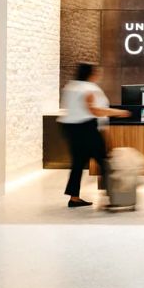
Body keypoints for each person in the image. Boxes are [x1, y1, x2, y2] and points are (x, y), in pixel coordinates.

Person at [58, 63, 130, 208]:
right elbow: (94, 110)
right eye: (96, 72)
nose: (98, 74)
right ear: (90, 74)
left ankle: (74, 197)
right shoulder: (89, 88)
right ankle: (114, 197)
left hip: (69, 128)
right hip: (86, 128)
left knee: (77, 163)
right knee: (104, 161)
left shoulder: (70, 86)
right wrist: (118, 112)